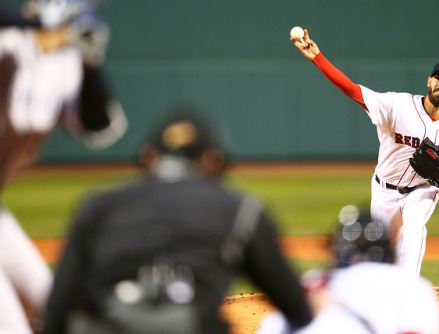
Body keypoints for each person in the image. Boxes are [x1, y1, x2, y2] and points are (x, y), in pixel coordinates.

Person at [43, 107, 313, 334]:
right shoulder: (240, 207)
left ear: (148, 156)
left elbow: (55, 315)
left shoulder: (97, 206)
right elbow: (297, 308)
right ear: (213, 160)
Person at [291, 29, 439, 275]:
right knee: (380, 246)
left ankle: (408, 289)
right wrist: (318, 57)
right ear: (428, 81)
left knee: (414, 228)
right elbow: (351, 89)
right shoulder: (397, 106)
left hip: (423, 189)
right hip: (383, 189)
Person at [0, 1, 127, 333]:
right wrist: (37, 23)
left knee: (57, 310)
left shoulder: (65, 64)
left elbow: (98, 125)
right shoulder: (8, 44)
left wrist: (89, 63)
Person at [258, 205, 439, 334]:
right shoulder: (412, 288)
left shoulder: (312, 284)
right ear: (389, 251)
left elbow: (273, 327)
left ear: (337, 252)